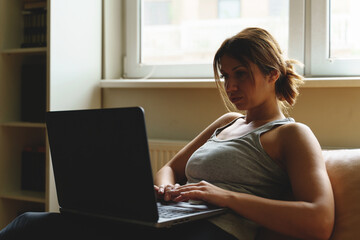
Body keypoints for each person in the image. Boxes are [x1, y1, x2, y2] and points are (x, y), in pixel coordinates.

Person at [0, 27, 334, 240]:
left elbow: (319, 221)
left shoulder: (292, 135)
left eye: (241, 74)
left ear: (272, 73)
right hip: (168, 221)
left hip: (213, 230)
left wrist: (220, 196)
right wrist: (165, 187)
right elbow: (170, 167)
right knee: (30, 223)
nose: (230, 86)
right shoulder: (226, 121)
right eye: (225, 75)